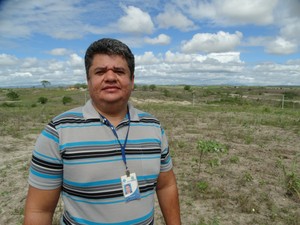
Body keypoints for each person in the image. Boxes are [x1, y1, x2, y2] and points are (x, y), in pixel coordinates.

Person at [23, 38, 181, 225]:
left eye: (120, 71)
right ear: (89, 80)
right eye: (100, 71)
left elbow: (166, 186)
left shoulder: (153, 127)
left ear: (132, 81)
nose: (111, 77)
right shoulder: (57, 132)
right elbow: (39, 210)